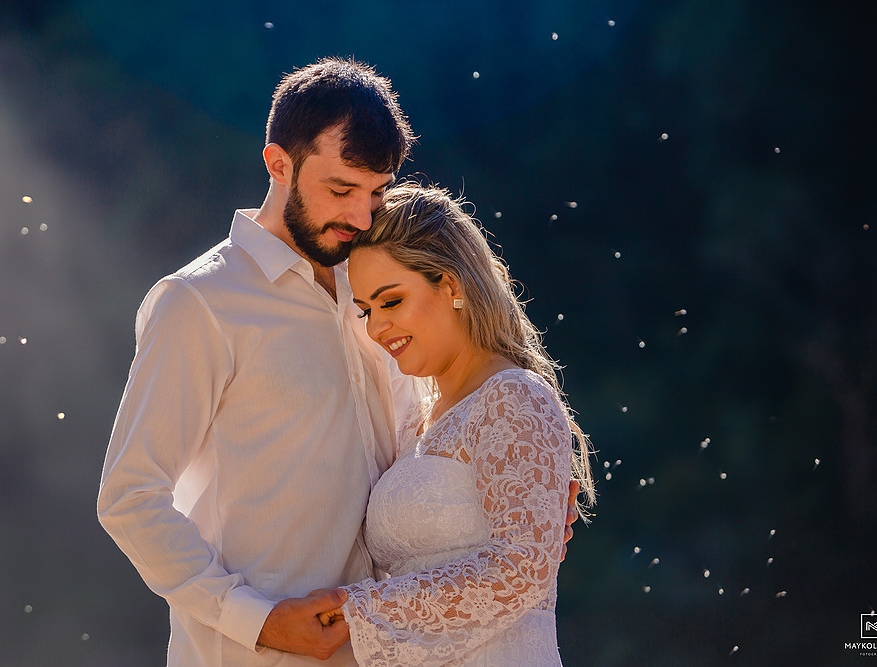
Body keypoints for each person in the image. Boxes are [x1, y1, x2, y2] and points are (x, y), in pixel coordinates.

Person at [97, 58, 582, 666]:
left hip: (382, 653)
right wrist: (258, 620)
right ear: (278, 164)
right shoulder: (201, 303)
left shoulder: (381, 292)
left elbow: (418, 466)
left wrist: (512, 510)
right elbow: (130, 495)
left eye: (376, 192)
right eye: (341, 189)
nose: (360, 215)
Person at [316, 182, 597, 665]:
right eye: (365, 310)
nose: (375, 327)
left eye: (390, 302)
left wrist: (357, 611)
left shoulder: (514, 397)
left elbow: (522, 569)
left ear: (450, 286)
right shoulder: (416, 421)